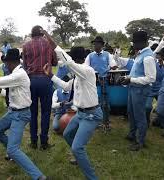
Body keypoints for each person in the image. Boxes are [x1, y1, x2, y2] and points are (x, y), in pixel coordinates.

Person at [43, 30, 103, 180]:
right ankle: (78, 157)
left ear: (78, 60)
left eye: (73, 60)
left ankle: (92, 177)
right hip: (81, 113)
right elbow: (66, 86)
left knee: (77, 147)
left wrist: (51, 41)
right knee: (67, 134)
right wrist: (50, 75)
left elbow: (69, 62)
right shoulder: (78, 76)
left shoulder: (87, 71)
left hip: (91, 115)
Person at [0, 48, 48, 180]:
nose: (5, 66)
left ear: (11, 63)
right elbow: (11, 92)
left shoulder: (18, 75)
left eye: (6, 64)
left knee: (13, 149)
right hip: (13, 111)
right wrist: (1, 90)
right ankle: (13, 154)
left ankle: (39, 176)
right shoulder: (18, 73)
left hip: (20, 114)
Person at [119, 31, 156, 151]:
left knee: (139, 116)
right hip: (133, 88)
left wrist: (131, 80)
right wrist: (127, 78)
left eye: (135, 43)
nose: (133, 45)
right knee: (131, 112)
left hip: (140, 90)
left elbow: (151, 78)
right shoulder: (140, 54)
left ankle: (140, 141)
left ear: (143, 42)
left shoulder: (148, 57)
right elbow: (135, 72)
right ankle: (132, 134)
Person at [22, 25, 58, 150]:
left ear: (31, 34)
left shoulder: (26, 46)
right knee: (46, 112)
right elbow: (55, 62)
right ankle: (43, 142)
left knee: (32, 112)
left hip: (31, 80)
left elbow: (25, 65)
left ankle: (33, 141)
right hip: (45, 79)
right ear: (42, 34)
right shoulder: (48, 44)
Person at [84, 36, 117, 130]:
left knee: (105, 102)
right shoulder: (90, 56)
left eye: (97, 43)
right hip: (93, 81)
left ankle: (106, 122)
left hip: (104, 80)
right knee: (94, 102)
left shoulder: (107, 55)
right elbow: (85, 67)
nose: (95, 45)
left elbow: (113, 65)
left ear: (102, 45)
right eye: (94, 44)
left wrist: (110, 68)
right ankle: (97, 121)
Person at [146, 48, 164, 127]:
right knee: (147, 107)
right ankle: (147, 121)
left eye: (160, 55)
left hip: (161, 90)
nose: (158, 56)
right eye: (158, 55)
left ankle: (158, 121)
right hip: (151, 89)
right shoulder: (154, 64)